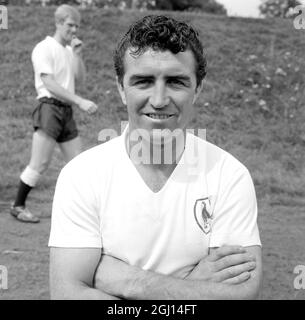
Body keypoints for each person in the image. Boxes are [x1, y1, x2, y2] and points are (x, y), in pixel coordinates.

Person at [49, 15, 262, 299]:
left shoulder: (229, 176)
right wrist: (189, 285)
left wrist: (126, 281)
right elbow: (67, 294)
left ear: (197, 88)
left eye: (175, 82)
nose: (159, 99)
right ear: (120, 88)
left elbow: (241, 294)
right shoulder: (82, 176)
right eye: (143, 81)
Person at [10, 5, 98, 223]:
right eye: (70, 24)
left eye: (77, 25)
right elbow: (48, 82)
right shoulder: (44, 48)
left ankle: (83, 211)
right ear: (58, 23)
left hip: (66, 111)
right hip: (49, 108)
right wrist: (79, 101)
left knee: (78, 164)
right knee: (39, 163)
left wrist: (77, 55)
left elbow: (80, 79)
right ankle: (18, 205)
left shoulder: (69, 51)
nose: (74, 29)